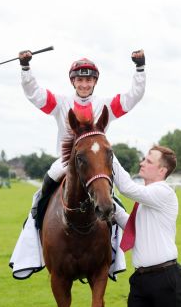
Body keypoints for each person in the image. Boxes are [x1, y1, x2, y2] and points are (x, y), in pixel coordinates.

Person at [9, 49, 146, 279]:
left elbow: (133, 96)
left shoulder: (105, 105)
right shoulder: (60, 103)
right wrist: (26, 69)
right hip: (66, 163)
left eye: (89, 79)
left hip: (99, 162)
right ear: (73, 81)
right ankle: (33, 244)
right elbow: (34, 93)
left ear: (95, 82)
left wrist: (140, 68)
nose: (84, 84)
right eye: (80, 79)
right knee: (39, 198)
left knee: (114, 201)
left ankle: (114, 253)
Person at [113, 145, 181, 307]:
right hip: (140, 280)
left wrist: (107, 153)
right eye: (144, 159)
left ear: (162, 171)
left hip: (165, 280)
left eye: (149, 161)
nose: (142, 163)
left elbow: (126, 188)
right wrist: (110, 206)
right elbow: (133, 226)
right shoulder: (148, 198)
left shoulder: (163, 192)